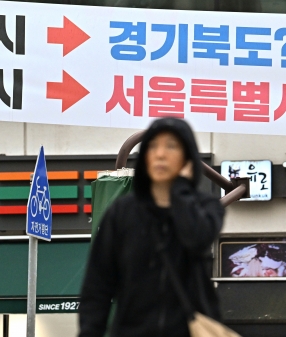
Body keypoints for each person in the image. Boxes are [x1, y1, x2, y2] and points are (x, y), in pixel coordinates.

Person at [78, 118, 225, 337]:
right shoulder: (122, 212)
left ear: (188, 157)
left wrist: (181, 191)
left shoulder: (205, 206)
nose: (160, 154)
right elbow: (98, 284)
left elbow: (197, 238)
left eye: (171, 146)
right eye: (153, 146)